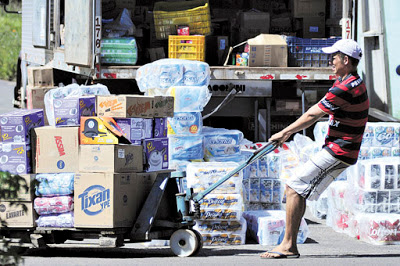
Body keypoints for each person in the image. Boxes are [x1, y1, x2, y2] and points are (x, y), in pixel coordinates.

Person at [260, 39, 369, 259]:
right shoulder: (354, 82)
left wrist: (284, 133)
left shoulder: (345, 87)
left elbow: (312, 114)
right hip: (340, 148)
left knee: (293, 187)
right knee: (296, 188)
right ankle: (289, 244)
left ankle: (288, 245)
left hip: (340, 151)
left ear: (345, 60)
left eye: (334, 58)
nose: (331, 61)